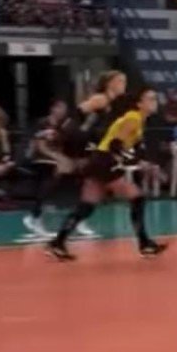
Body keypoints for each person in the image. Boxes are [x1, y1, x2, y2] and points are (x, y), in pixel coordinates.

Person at [47, 88, 168, 260]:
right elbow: (115, 145)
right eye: (150, 99)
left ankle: (57, 243)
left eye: (155, 98)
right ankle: (144, 244)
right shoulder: (133, 118)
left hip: (99, 161)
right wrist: (137, 162)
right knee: (137, 198)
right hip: (105, 162)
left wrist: (144, 163)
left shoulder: (138, 120)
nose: (154, 102)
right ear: (139, 103)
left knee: (87, 205)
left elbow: (130, 148)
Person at [58, 70, 129, 239]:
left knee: (94, 186)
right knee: (92, 184)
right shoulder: (101, 99)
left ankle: (75, 220)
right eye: (120, 81)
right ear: (110, 83)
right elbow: (77, 114)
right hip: (85, 144)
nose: (124, 85)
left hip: (98, 145)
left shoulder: (115, 103)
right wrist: (77, 136)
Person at [23, 99, 74, 237]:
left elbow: (61, 147)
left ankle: (73, 216)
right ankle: (34, 217)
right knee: (48, 177)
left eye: (64, 109)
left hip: (53, 160)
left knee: (70, 174)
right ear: (53, 109)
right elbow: (40, 147)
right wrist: (58, 159)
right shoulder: (43, 123)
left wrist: (62, 161)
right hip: (39, 157)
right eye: (60, 108)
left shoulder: (62, 127)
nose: (62, 112)